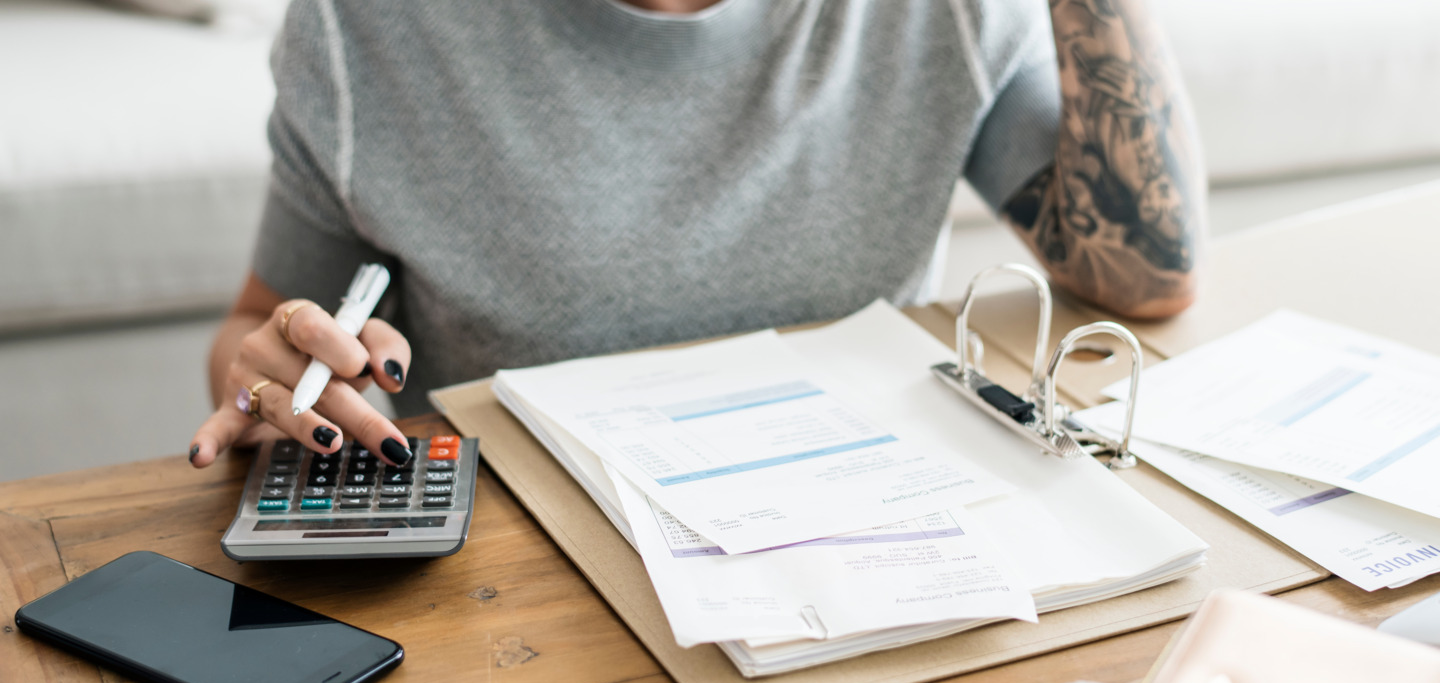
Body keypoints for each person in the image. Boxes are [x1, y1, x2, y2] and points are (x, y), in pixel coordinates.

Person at [190, 0, 1204, 469]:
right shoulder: (365, 27)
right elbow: (260, 330)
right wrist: (266, 380)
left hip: (874, 534)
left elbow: (1146, 273)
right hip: (528, 568)